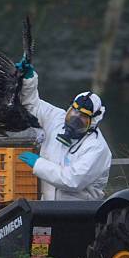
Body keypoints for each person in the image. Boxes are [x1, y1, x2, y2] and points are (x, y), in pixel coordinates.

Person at [15, 58, 112, 200]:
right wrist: (28, 80)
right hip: (46, 210)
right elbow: (32, 105)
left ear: (93, 122)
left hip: (79, 213)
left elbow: (72, 180)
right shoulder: (56, 119)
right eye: (73, 112)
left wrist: (38, 163)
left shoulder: (96, 147)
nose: (75, 119)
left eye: (83, 117)